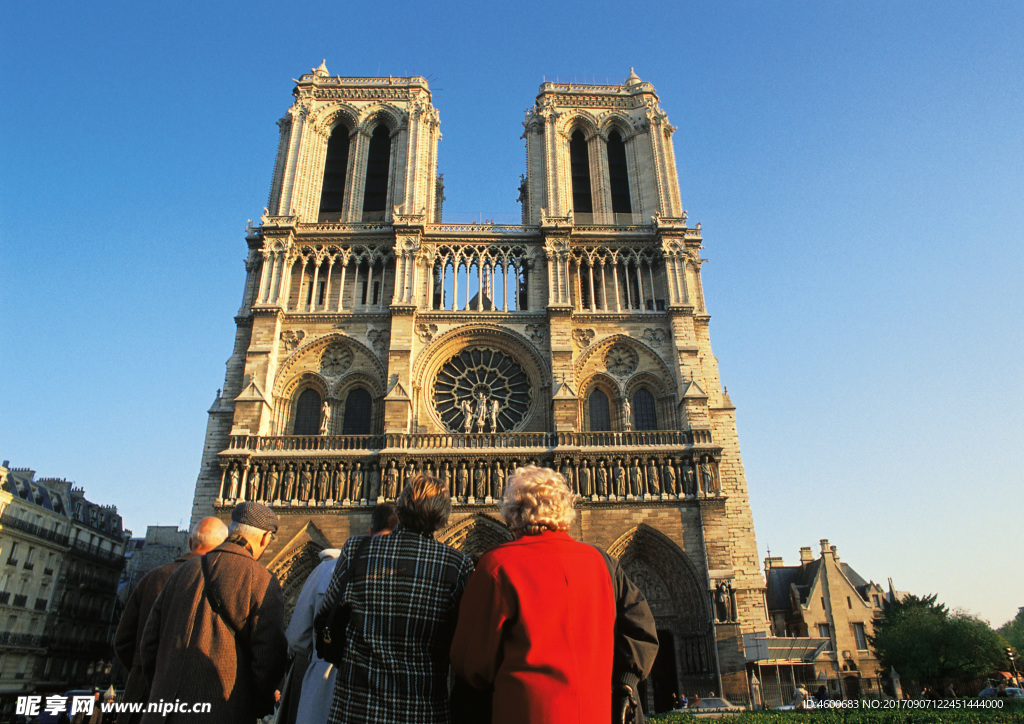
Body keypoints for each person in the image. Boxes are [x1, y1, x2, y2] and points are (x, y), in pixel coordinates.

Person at [450, 465, 659, 724]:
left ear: (513, 514)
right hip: (597, 714)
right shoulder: (602, 563)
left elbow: (471, 663)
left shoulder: (497, 566)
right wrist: (626, 683)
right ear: (565, 511)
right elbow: (643, 629)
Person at [318, 475, 474, 723]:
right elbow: (464, 646)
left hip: (358, 708)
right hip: (422, 711)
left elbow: (327, 617)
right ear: (443, 517)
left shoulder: (357, 549)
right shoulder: (456, 565)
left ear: (401, 506)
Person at [139, 502, 288, 724]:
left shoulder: (182, 572)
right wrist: (255, 705)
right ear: (266, 538)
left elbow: (148, 644)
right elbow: (269, 660)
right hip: (221, 713)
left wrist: (163, 688)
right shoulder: (261, 581)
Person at [285, 503, 399, 724]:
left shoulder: (325, 570)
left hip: (324, 685)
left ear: (369, 531)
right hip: (379, 692)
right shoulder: (409, 574)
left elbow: (296, 639)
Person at [113, 516, 228, 724]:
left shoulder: (153, 577)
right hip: (191, 701)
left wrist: (143, 671)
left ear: (190, 543)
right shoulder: (219, 585)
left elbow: (122, 641)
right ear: (221, 549)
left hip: (142, 696)